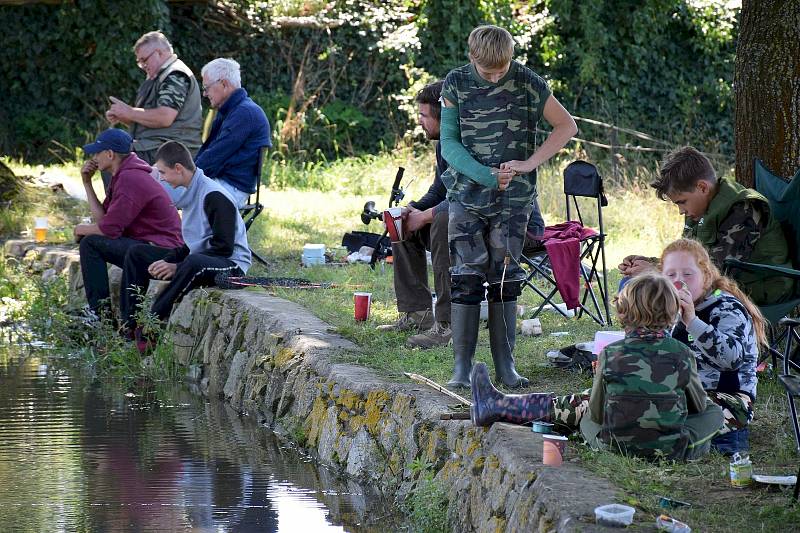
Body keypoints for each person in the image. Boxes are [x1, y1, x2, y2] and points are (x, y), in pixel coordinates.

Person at [440, 25, 577, 388]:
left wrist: (531, 163)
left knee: (505, 280)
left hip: (514, 202)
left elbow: (566, 126)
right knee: (465, 278)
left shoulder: (529, 81)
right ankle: (462, 369)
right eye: (489, 72)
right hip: (466, 197)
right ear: (473, 58)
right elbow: (448, 145)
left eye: (502, 69)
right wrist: (485, 176)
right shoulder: (455, 83)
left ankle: (506, 367)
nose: (497, 76)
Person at [470, 273, 724, 461]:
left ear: (622, 313)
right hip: (671, 451)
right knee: (714, 412)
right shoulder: (682, 352)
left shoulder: (610, 353)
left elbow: (596, 412)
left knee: (586, 419)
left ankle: (498, 405)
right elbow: (699, 406)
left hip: (612, 447)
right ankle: (497, 404)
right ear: (673, 314)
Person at [119, 141, 251, 350]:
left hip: (231, 265)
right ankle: (129, 326)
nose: (161, 178)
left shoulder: (214, 195)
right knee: (137, 253)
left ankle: (151, 328)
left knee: (193, 262)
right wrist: (169, 259)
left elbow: (224, 247)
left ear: (178, 168)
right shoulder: (191, 192)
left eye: (163, 172)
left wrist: (177, 266)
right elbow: (192, 244)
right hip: (200, 258)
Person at [620, 146, 791, 305]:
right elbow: (687, 261)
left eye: (682, 202)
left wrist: (655, 270)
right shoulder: (700, 208)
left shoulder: (744, 209)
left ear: (702, 187)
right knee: (634, 282)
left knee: (656, 289)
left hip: (753, 288)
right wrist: (646, 263)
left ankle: (653, 336)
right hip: (720, 285)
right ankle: (645, 336)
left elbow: (716, 272)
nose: (681, 211)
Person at [662, 238, 765, 454]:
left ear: (706, 277)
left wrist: (692, 321)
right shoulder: (668, 307)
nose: (679, 281)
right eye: (670, 275)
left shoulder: (726, 307)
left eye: (688, 274)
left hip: (725, 399)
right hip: (683, 394)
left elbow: (731, 360)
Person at [74, 128, 183, 320]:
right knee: (91, 241)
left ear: (110, 154)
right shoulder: (123, 175)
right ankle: (101, 315)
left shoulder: (130, 178)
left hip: (162, 253)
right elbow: (104, 221)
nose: (94, 157)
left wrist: (80, 229)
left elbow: (109, 230)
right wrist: (87, 183)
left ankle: (100, 316)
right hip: (146, 247)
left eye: (97, 153)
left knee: (90, 243)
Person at [105, 31, 203, 165]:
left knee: (112, 157)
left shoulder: (175, 75)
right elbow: (154, 123)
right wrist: (126, 117)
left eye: (144, 60)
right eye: (139, 62)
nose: (143, 66)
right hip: (158, 146)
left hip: (174, 151)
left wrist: (130, 112)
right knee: (108, 152)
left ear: (159, 53)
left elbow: (165, 117)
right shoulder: (160, 76)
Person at [194, 58, 272, 209]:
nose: (204, 93)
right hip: (221, 182)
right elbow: (209, 152)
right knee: (161, 186)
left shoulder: (244, 113)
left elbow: (215, 156)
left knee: (162, 190)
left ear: (224, 84)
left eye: (207, 87)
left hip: (230, 187)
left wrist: (187, 176)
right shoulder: (231, 110)